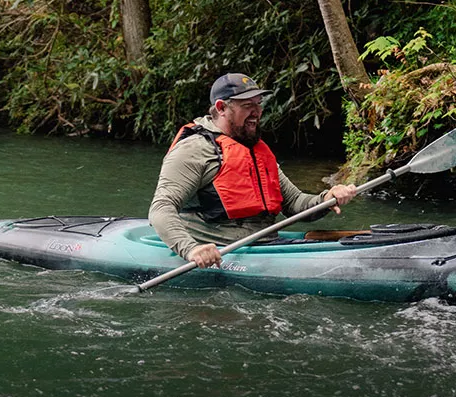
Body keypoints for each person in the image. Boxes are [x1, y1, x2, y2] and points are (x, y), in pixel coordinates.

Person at [149, 73, 357, 268]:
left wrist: (327, 199)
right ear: (221, 107)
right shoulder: (195, 150)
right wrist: (191, 249)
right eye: (248, 106)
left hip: (267, 246)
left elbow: (295, 203)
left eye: (258, 105)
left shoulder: (255, 149)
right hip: (223, 251)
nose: (257, 113)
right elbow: (161, 208)